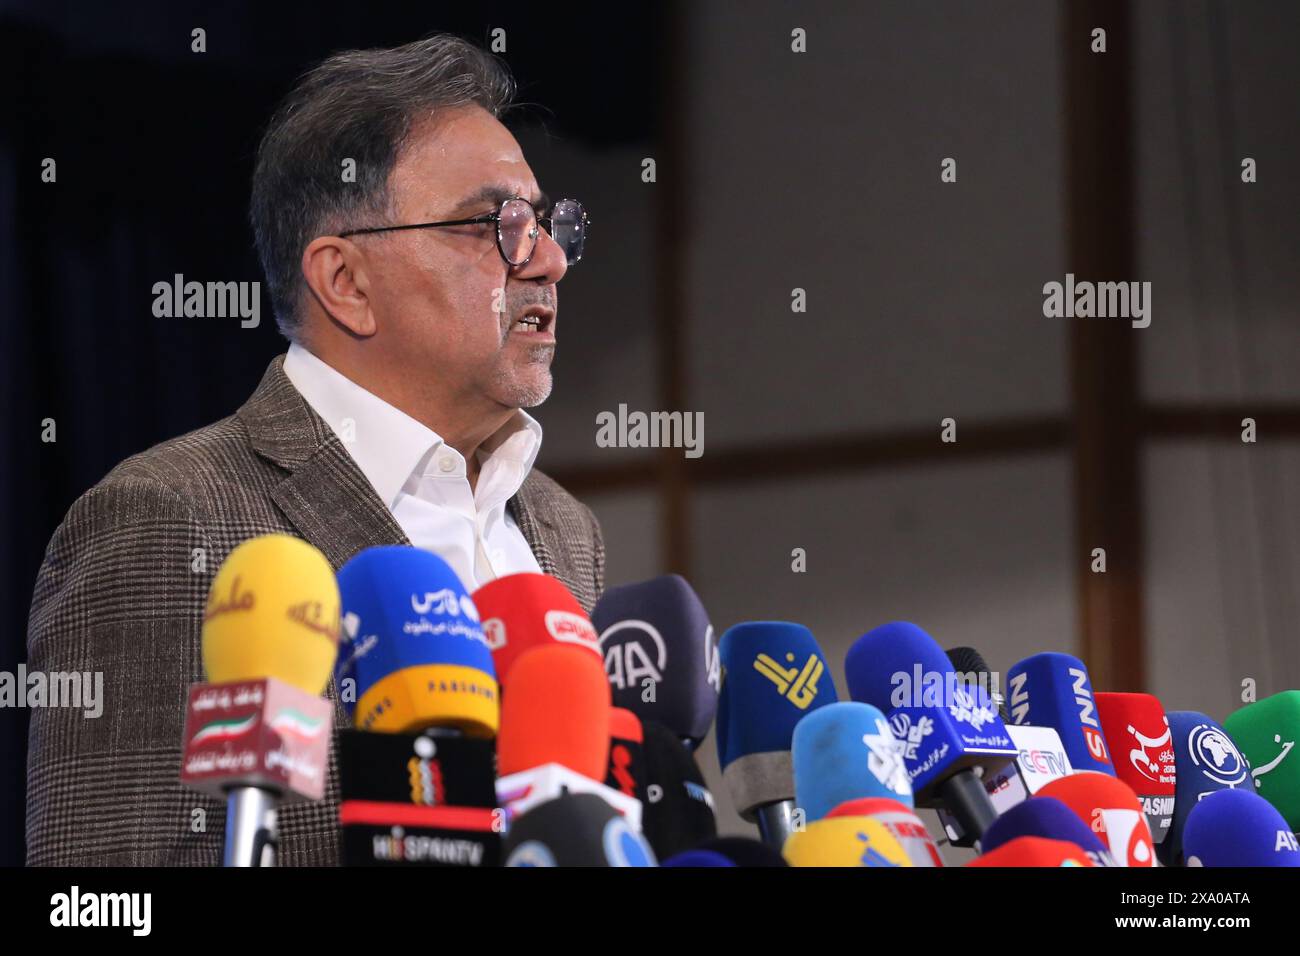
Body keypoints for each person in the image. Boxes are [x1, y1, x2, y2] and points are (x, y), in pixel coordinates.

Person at [26, 34, 602, 865]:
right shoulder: (169, 518)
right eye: (498, 225)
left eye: (546, 224)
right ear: (345, 282)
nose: (547, 260)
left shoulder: (564, 530)